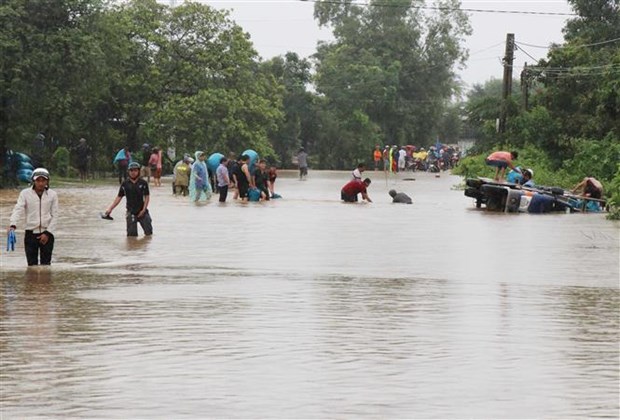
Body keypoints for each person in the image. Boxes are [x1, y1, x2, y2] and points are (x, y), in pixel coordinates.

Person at [8, 168, 59, 266]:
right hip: (30, 234)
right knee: (31, 266)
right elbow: (18, 209)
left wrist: (47, 233)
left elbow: (55, 215)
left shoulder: (53, 195)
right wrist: (13, 224)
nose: (40, 183)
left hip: (47, 233)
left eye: (43, 180)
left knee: (46, 266)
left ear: (47, 181)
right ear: (33, 181)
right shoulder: (25, 194)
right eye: (38, 180)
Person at [104, 162, 152, 237]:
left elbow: (147, 197)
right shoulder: (125, 184)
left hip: (143, 211)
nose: (133, 172)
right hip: (131, 211)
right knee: (131, 237)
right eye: (131, 170)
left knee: (149, 234)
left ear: (138, 171)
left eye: (135, 170)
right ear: (128, 172)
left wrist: (143, 210)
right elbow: (119, 197)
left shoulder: (143, 183)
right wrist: (110, 209)